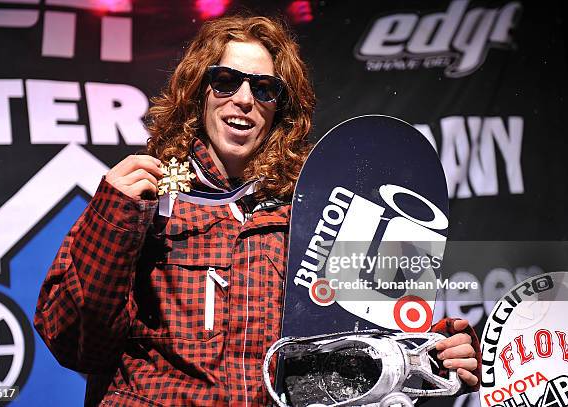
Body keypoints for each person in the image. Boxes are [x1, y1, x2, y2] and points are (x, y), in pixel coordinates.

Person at [34, 15, 481, 406]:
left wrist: (437, 353)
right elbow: (73, 344)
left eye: (264, 88)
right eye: (226, 81)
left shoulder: (320, 209)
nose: (244, 98)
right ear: (198, 92)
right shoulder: (139, 201)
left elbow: (365, 346)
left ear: (279, 109)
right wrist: (113, 217)